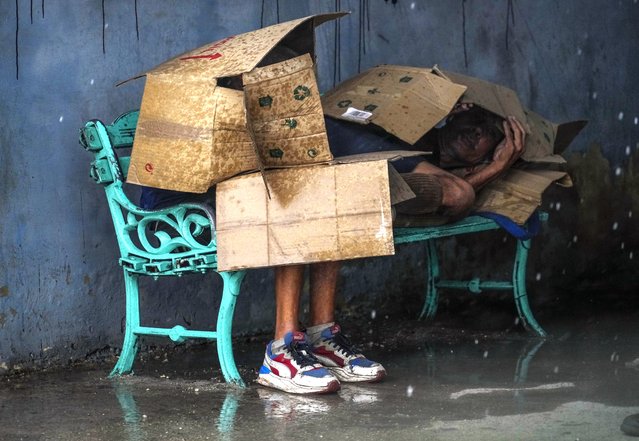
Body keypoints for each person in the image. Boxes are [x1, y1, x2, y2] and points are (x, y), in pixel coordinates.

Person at [255, 106, 527, 394]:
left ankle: (321, 339)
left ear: (474, 166)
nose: (476, 131)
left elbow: (457, 193)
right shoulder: (410, 121)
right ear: (459, 111)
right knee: (318, 186)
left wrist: (496, 169)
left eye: (490, 135)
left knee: (340, 192)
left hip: (355, 162)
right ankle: (282, 349)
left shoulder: (420, 163)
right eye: (480, 120)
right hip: (309, 134)